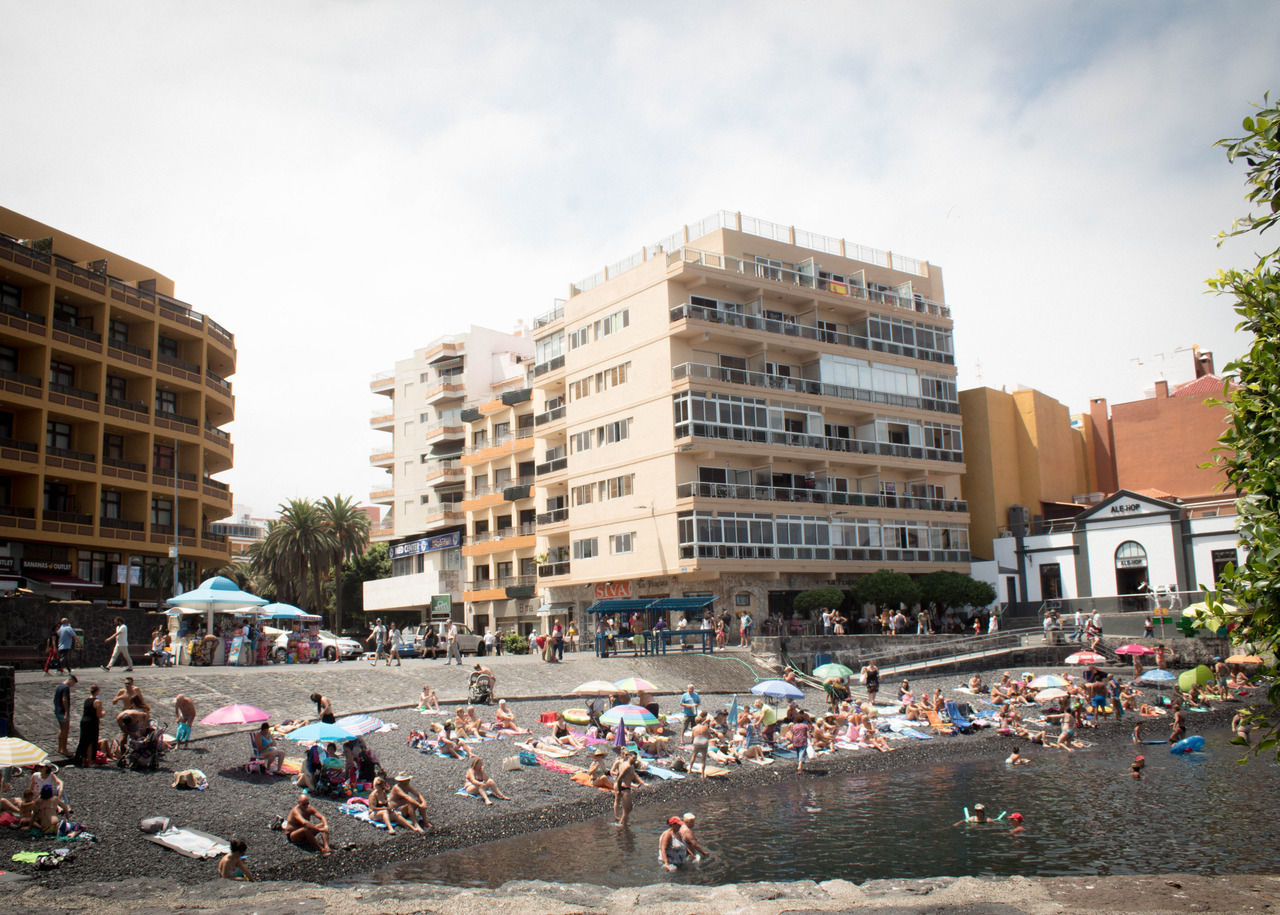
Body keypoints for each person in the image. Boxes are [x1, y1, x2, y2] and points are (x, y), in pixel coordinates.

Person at [72, 683, 103, 767]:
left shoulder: (87, 700)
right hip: (92, 722)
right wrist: (104, 713)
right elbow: (99, 715)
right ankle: (90, 761)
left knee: (83, 741)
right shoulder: (97, 701)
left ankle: (81, 760)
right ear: (97, 691)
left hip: (84, 721)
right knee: (91, 742)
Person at [612, 751, 641, 828]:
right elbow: (620, 778)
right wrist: (619, 790)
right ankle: (622, 824)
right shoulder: (627, 766)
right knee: (627, 809)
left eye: (635, 758)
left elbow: (631, 775)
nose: (635, 760)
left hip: (621, 787)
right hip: (624, 788)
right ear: (629, 757)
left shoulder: (623, 764)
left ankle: (620, 820)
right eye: (633, 758)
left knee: (626, 806)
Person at [53, 674, 76, 756]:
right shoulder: (66, 688)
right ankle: (64, 749)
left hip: (57, 710)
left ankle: (60, 748)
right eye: (73, 683)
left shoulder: (59, 686)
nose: (72, 685)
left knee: (61, 729)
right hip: (62, 711)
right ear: (71, 680)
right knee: (65, 730)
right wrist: (67, 711)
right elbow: (64, 699)